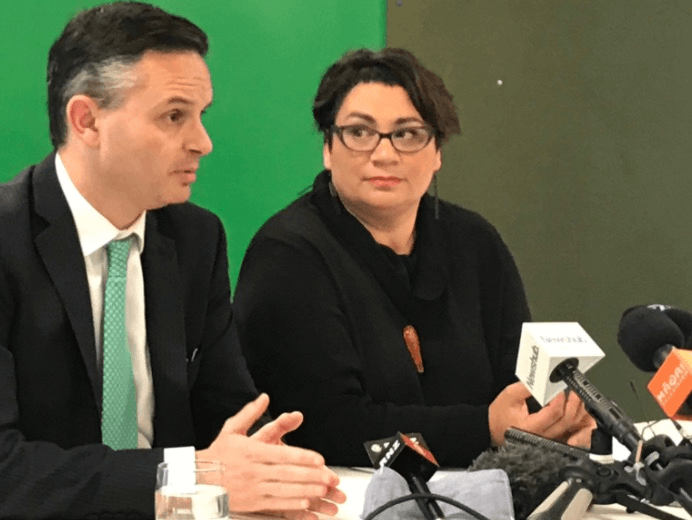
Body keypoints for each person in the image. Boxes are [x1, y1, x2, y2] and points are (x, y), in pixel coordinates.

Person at [0, 3, 345, 519]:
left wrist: (270, 469)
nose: (203, 142)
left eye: (201, 115)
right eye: (174, 116)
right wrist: (189, 477)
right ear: (87, 120)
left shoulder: (194, 238)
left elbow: (227, 411)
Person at [232, 48, 596, 468]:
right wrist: (485, 428)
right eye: (359, 132)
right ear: (328, 148)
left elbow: (519, 388)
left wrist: (553, 421)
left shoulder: (476, 243)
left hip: (485, 489)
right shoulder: (288, 255)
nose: (384, 154)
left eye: (407, 134)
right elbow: (327, 426)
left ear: (437, 152)